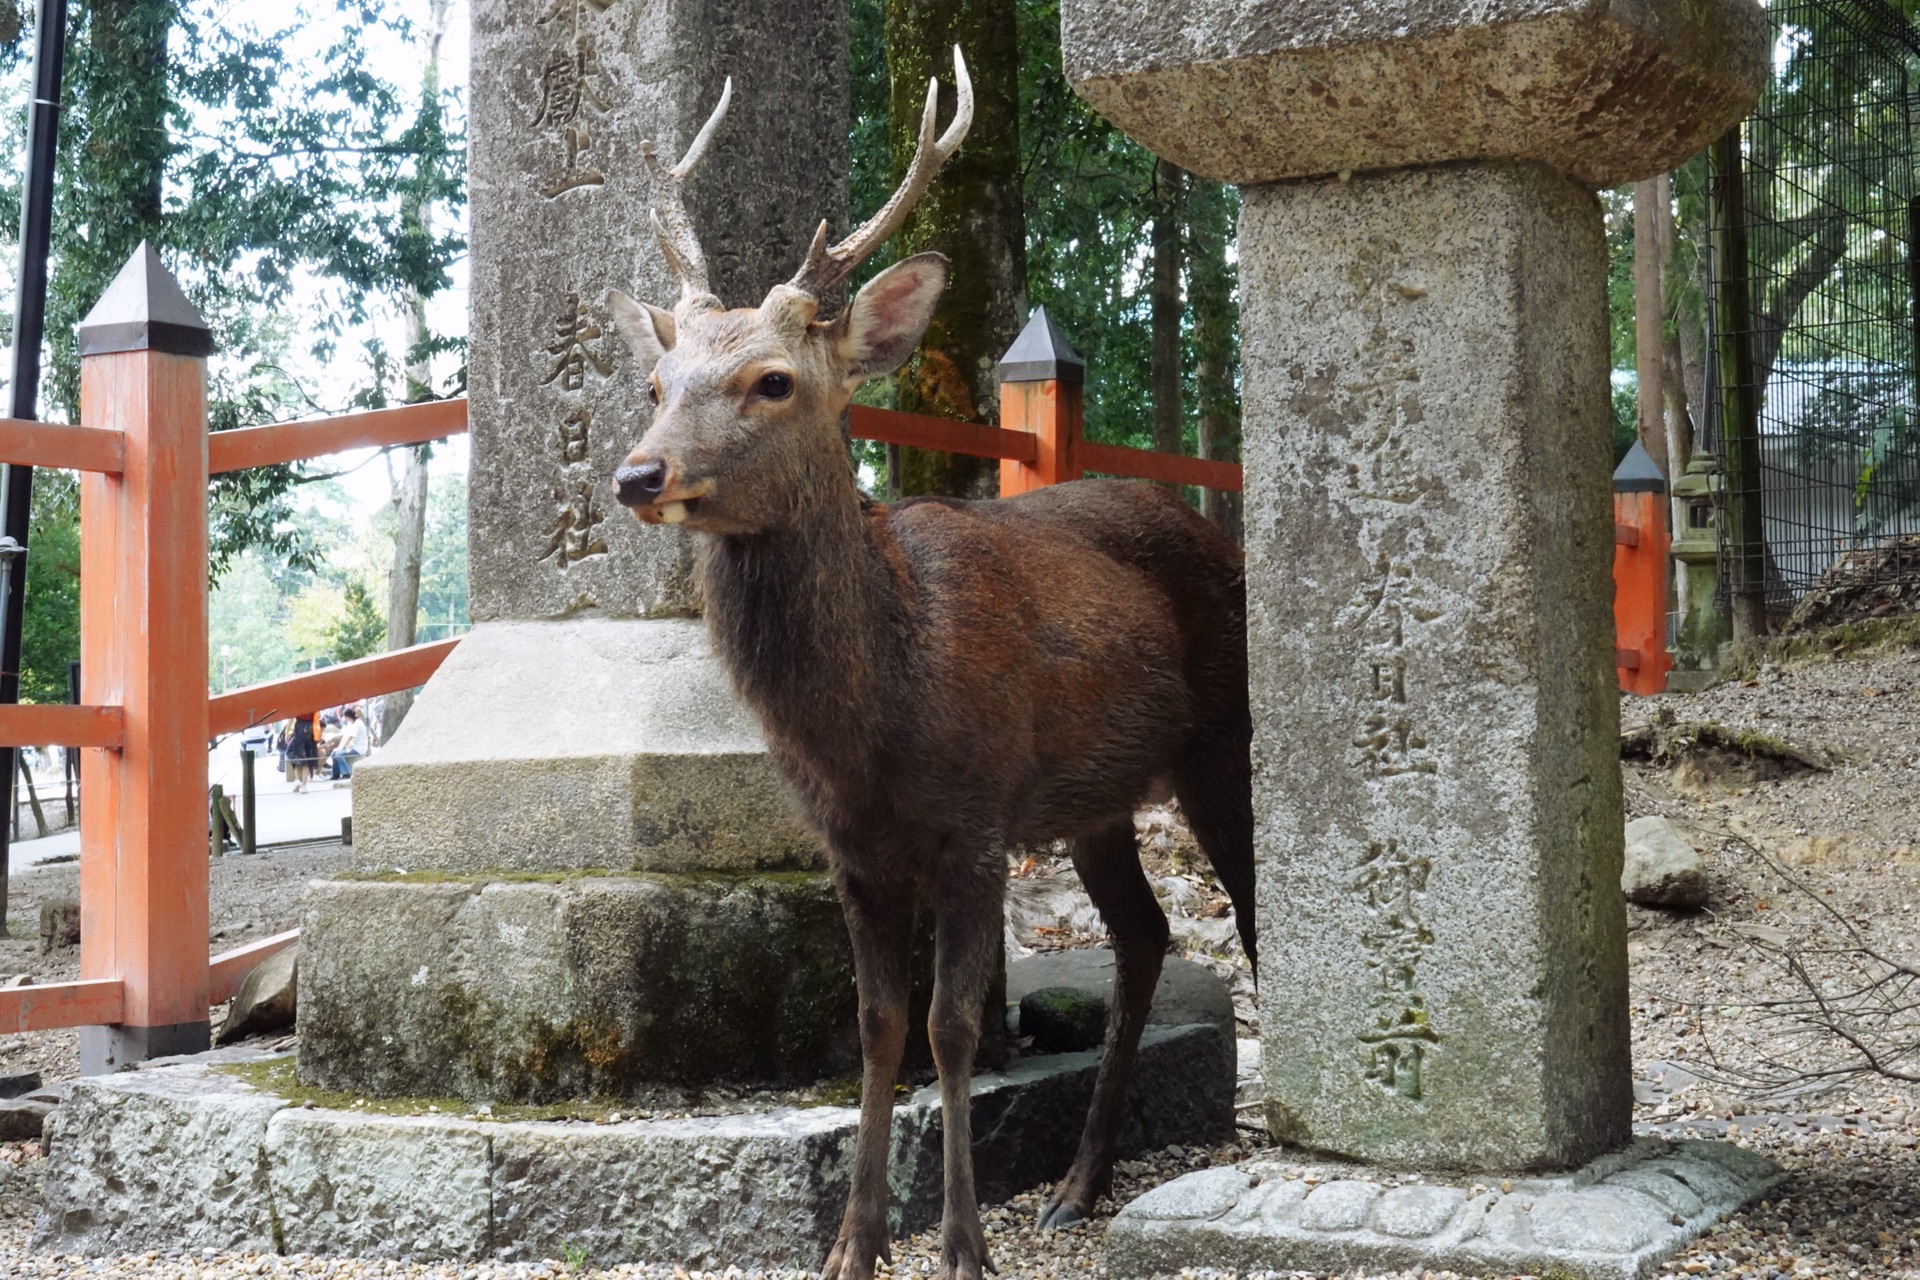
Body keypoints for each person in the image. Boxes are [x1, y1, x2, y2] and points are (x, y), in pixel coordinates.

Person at [330, 706, 371, 783]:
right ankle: (336, 774)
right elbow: (345, 736)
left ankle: (346, 773)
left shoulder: (358, 723)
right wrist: (339, 747)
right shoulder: (350, 723)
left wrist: (341, 748)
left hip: (358, 748)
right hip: (351, 747)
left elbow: (350, 737)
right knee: (334, 753)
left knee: (339, 754)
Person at [285, 712, 321, 793]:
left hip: (299, 729)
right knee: (308, 760)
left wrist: (287, 732)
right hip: (310, 730)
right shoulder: (314, 704)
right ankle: (304, 785)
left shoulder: (299, 704)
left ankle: (297, 779)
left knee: (297, 758)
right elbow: (319, 716)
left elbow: (291, 718)